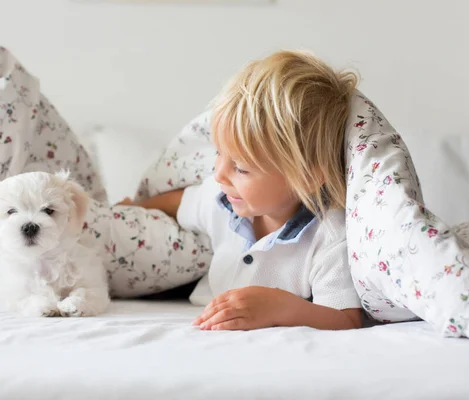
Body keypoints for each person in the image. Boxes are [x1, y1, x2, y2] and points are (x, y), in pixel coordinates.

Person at [125, 50, 362, 331]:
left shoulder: (329, 236)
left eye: (240, 168)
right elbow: (178, 203)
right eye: (219, 154)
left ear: (309, 177)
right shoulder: (222, 198)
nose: (219, 174)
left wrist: (281, 306)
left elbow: (347, 319)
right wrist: (131, 208)